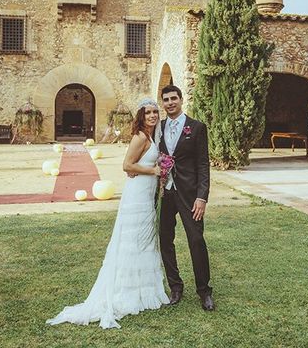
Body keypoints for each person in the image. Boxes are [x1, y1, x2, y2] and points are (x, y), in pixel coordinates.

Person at [46, 99, 169, 329]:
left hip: (147, 192)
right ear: (141, 116)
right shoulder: (141, 137)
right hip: (137, 195)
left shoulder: (153, 137)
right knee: (132, 240)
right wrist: (153, 170)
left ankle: (144, 289)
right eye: (148, 112)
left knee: (144, 240)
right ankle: (127, 291)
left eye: (155, 112)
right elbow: (127, 165)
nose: (152, 116)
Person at [158, 85, 214, 311]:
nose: (170, 102)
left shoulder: (197, 128)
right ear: (162, 103)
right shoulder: (158, 128)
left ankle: (204, 291)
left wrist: (202, 197)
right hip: (164, 193)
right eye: (166, 99)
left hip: (190, 194)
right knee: (165, 240)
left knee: (196, 240)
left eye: (173, 98)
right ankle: (176, 287)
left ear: (181, 100)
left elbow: (203, 164)